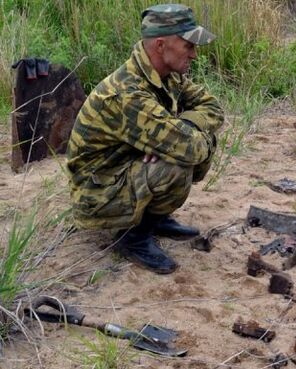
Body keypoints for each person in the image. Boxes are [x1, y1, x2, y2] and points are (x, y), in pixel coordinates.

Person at [66, 4, 223, 274]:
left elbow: (214, 108)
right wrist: (184, 140)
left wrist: (184, 125)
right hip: (97, 193)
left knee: (178, 152)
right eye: (188, 45)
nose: (195, 54)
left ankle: (155, 217)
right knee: (176, 165)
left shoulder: (167, 75)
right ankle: (132, 238)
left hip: (123, 170)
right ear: (161, 45)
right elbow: (194, 149)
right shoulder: (127, 93)